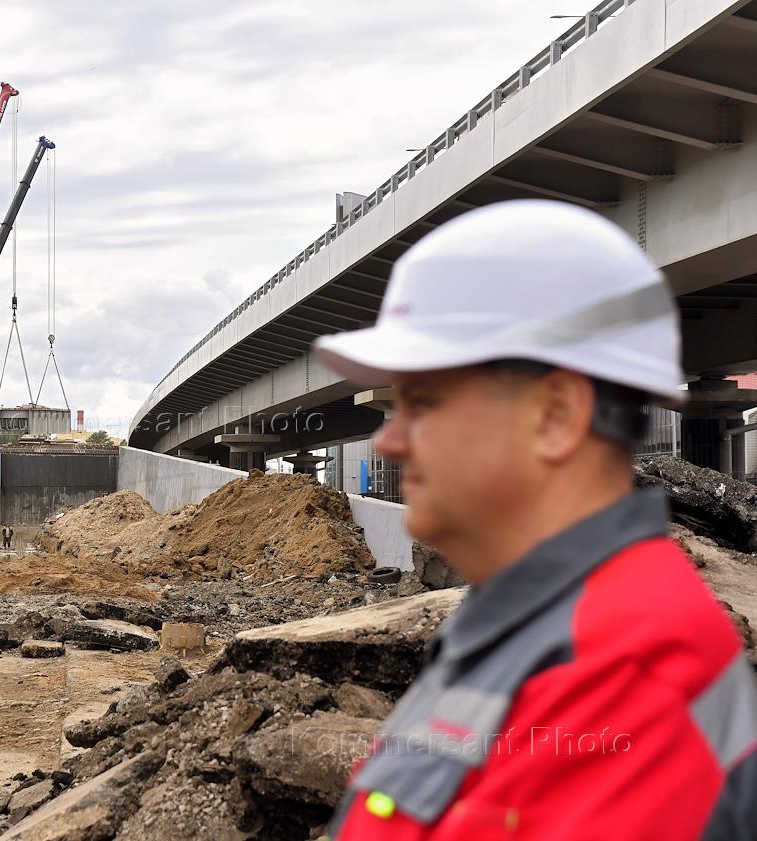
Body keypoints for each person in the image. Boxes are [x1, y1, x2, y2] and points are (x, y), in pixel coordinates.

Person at [313, 200, 756, 839]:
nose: (389, 441)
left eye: (423, 402)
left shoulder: (630, 674)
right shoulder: (523, 630)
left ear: (554, 415)